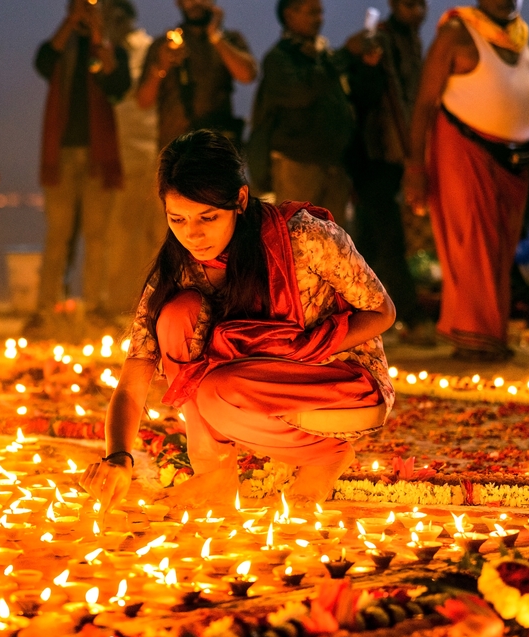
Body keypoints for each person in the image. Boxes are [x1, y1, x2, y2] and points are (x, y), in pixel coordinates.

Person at [79, 130, 396, 511]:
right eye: (177, 219)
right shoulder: (179, 268)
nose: (192, 235)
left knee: (215, 392)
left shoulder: (304, 237)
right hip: (249, 384)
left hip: (338, 384)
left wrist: (304, 349)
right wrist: (118, 458)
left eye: (208, 217)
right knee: (175, 316)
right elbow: (132, 385)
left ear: (241, 200)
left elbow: (383, 312)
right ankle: (214, 471)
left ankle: (325, 455)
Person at [405, 0, 529, 362]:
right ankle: (473, 338)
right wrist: (415, 168)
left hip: (513, 160)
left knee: (500, 248)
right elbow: (423, 104)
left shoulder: (522, 39)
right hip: (462, 147)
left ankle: (490, 336)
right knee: (471, 241)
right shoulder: (456, 35)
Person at [28, 0, 132, 336]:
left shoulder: (113, 51)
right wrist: (71, 24)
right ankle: (45, 310)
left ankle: (97, 308)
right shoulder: (60, 48)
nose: (86, 10)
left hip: (98, 158)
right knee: (57, 237)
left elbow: (117, 86)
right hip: (61, 155)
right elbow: (43, 61)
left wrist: (99, 35)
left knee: (98, 237)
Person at [347, 0, 433, 343]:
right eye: (410, 5)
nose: (418, 11)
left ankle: (362, 320)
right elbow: (365, 96)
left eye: (421, 5)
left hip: (395, 154)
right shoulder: (378, 40)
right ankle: (410, 317)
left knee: (368, 240)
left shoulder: (411, 40)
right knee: (387, 239)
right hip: (376, 153)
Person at [249, 0, 376, 228]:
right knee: (298, 236)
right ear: (289, 15)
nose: (319, 19)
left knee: (335, 242)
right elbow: (301, 92)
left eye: (320, 12)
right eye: (312, 12)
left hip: (334, 165)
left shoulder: (323, 54)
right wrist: (345, 54)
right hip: (298, 166)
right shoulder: (279, 58)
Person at [103, 0, 166, 314]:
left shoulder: (146, 49)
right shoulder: (105, 52)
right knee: (120, 232)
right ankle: (121, 302)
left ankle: (153, 302)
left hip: (150, 148)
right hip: (119, 151)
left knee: (156, 231)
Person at [137, 0, 257, 150]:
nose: (195, 3)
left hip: (217, 146)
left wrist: (216, 37)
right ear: (179, 3)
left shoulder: (229, 39)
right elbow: (143, 101)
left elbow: (248, 75)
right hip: (176, 147)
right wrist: (161, 67)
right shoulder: (163, 45)